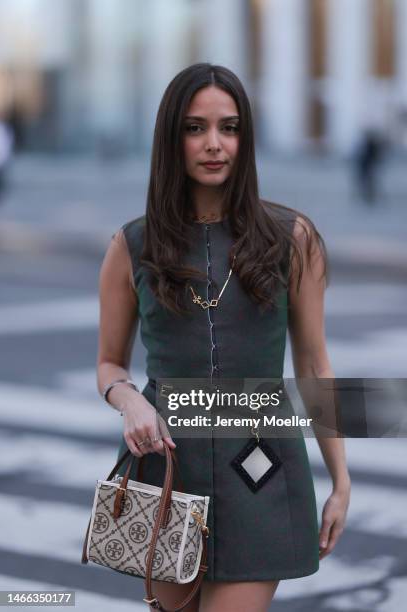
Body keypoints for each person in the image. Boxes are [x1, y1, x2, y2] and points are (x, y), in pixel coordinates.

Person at [96, 63, 351, 612]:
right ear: (172, 139)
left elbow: (313, 364)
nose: (214, 144)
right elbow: (109, 365)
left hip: (262, 466)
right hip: (166, 467)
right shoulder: (132, 245)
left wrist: (341, 479)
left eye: (229, 128)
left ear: (246, 137)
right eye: (195, 128)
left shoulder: (293, 237)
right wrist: (130, 401)